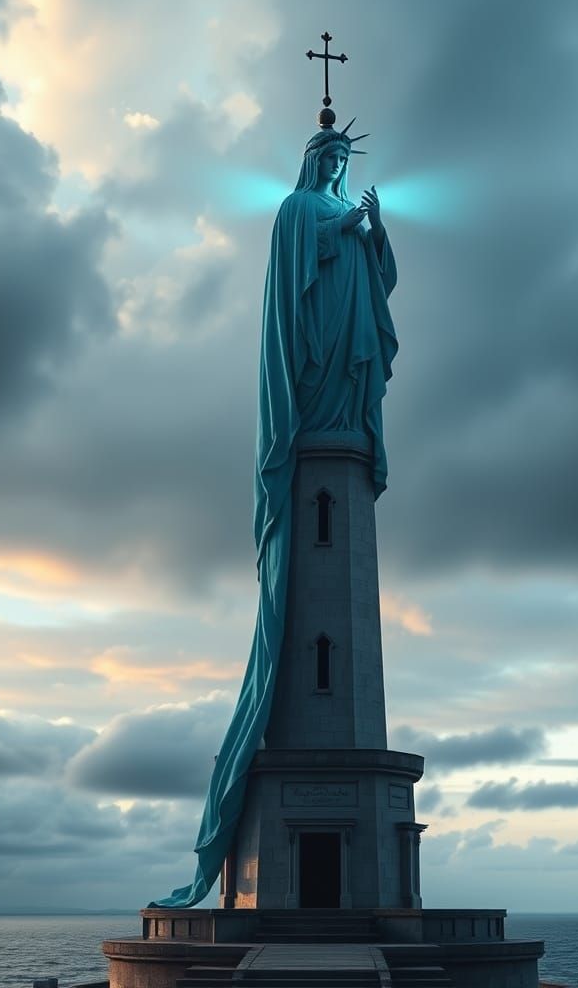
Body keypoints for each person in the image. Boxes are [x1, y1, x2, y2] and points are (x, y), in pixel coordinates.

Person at [153, 124, 397, 908]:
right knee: (314, 637)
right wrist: (342, 230)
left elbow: (376, 290)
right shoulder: (297, 210)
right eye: (327, 159)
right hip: (312, 393)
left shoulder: (345, 218)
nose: (335, 167)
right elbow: (303, 270)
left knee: (338, 635)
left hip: (348, 417)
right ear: (310, 161)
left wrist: (374, 235)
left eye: (341, 161)